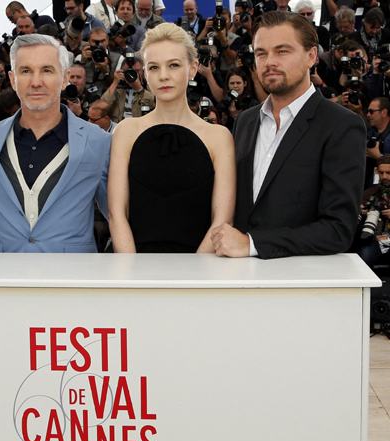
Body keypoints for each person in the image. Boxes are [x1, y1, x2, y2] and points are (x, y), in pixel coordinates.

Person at [211, 11, 366, 258]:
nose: (269, 61)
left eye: (282, 51)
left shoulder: (342, 125)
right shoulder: (245, 122)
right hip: (238, 280)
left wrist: (253, 244)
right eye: (261, 53)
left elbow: (339, 229)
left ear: (311, 56)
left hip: (299, 284)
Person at [0, 34, 110, 253]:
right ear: (12, 79)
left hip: (74, 277)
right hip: (5, 277)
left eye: (47, 70)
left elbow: (116, 215)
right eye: (26, 71)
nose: (36, 82)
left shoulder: (99, 140)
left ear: (65, 78)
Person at [108, 22, 235, 253]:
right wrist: (132, 276)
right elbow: (117, 214)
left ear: (194, 68)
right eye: (154, 68)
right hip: (134, 272)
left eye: (174, 65)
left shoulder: (219, 136)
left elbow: (222, 220)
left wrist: (193, 279)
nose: (164, 76)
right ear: (145, 73)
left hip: (201, 273)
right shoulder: (126, 131)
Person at [357, 156, 390, 268]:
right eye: (381, 173)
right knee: (365, 254)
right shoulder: (369, 194)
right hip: (375, 239)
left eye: (388, 173)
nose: (384, 177)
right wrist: (360, 212)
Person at [100, 55, 155, 121]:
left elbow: (153, 104)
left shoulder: (149, 86)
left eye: (136, 71)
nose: (132, 75)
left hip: (139, 125)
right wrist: (114, 83)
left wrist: (139, 88)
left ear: (142, 71)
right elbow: (102, 107)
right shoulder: (118, 88)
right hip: (118, 125)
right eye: (128, 72)